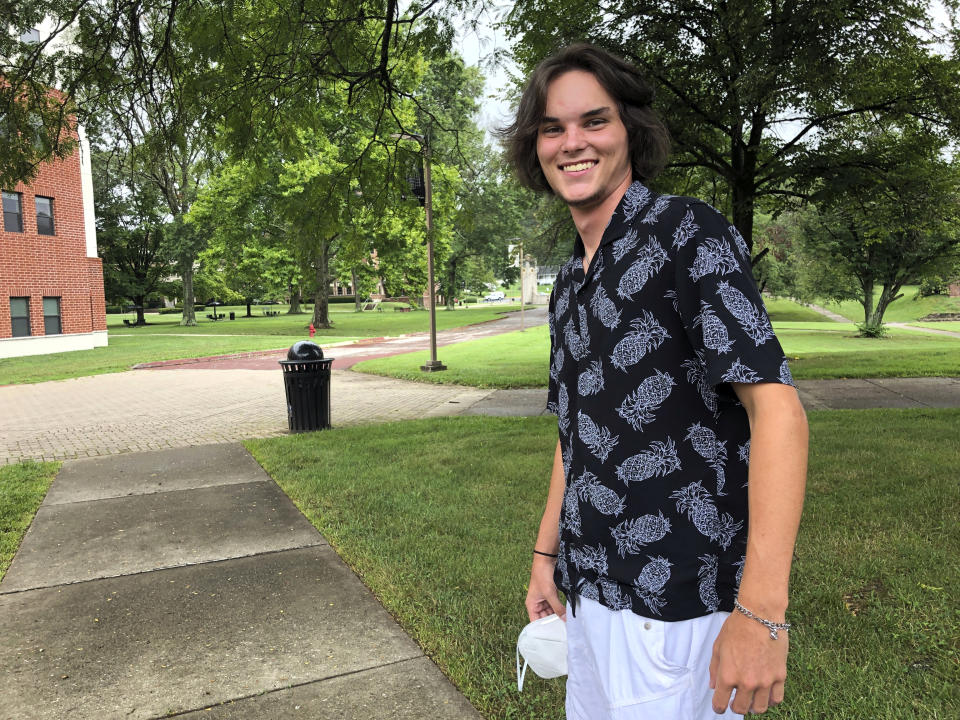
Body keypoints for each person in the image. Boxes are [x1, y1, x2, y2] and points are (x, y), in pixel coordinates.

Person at [500, 44, 808, 719]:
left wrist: (762, 614)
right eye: (552, 128)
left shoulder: (686, 235)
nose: (572, 142)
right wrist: (544, 557)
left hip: (674, 616)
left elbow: (779, 412)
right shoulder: (568, 282)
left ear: (630, 131)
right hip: (588, 598)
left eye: (594, 121)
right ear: (535, 146)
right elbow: (573, 431)